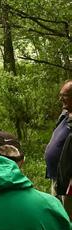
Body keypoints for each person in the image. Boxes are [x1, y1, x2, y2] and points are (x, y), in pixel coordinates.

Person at [45, 80, 72, 209]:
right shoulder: (65, 115)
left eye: (64, 95)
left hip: (69, 183)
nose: (60, 99)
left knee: (67, 217)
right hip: (56, 177)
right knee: (57, 213)